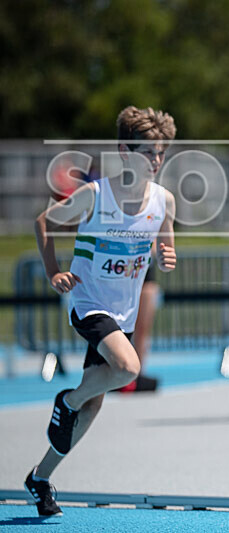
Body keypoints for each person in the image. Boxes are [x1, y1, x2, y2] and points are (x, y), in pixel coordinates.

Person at [25, 106, 178, 516]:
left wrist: (166, 259)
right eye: (149, 152)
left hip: (122, 314)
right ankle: (68, 400)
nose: (157, 161)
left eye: (162, 153)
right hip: (89, 304)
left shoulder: (164, 201)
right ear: (125, 152)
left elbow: (165, 248)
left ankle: (40, 478)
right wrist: (54, 272)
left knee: (94, 405)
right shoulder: (96, 196)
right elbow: (43, 222)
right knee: (128, 369)